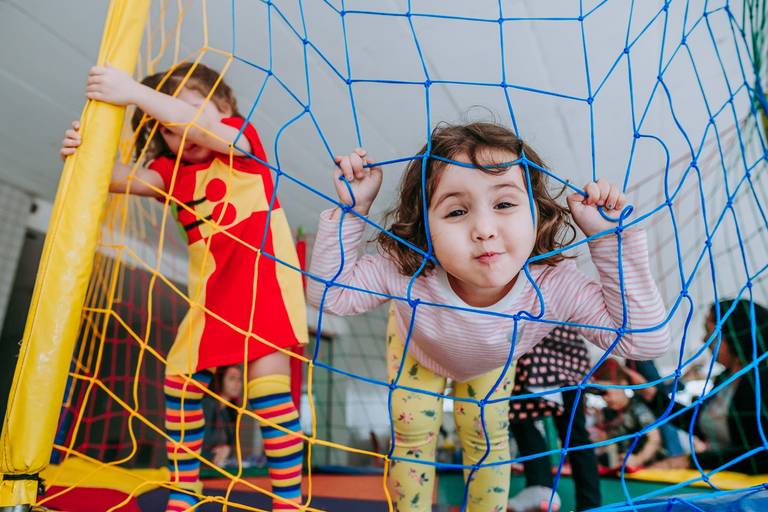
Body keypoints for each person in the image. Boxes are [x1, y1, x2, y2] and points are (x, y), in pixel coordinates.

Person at [306, 122, 671, 511]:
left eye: (504, 204)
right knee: (412, 436)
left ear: (537, 212)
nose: (483, 230)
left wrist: (610, 240)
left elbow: (645, 340)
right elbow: (329, 296)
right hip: (417, 347)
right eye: (456, 210)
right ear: (425, 226)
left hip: (490, 362)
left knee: (486, 439)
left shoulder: (551, 284)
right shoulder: (408, 270)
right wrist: (353, 211)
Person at [60, 62, 308, 511]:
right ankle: (184, 490)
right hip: (211, 298)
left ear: (224, 107)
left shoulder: (239, 140)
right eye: (168, 129)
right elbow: (114, 177)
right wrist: (83, 152)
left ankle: (289, 501)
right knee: (179, 380)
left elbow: (201, 127)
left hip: (263, 285)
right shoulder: (168, 172)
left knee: (269, 393)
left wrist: (133, 92)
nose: (181, 131)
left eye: (187, 112)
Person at [648, 299, 768, 474]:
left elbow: (761, 453)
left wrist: (693, 461)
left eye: (710, 332)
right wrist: (651, 396)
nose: (704, 339)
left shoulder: (761, 380)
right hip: (722, 481)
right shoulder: (725, 379)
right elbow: (700, 423)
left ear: (733, 335)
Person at [508, 326, 600, 512]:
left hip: (547, 353)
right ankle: (542, 489)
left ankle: (547, 489)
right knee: (519, 416)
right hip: (549, 354)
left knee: (571, 433)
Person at [591, 359, 663, 470]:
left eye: (606, 392)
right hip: (624, 468)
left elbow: (654, 439)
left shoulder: (637, 408)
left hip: (651, 468)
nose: (605, 398)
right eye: (600, 394)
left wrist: (638, 459)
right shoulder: (607, 413)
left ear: (622, 384)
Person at [202, 365, 243, 468]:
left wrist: (227, 450)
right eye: (232, 378)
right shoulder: (207, 405)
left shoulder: (232, 411)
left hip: (218, 467)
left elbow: (232, 447)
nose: (237, 383)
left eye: (239, 379)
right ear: (220, 380)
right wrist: (213, 455)